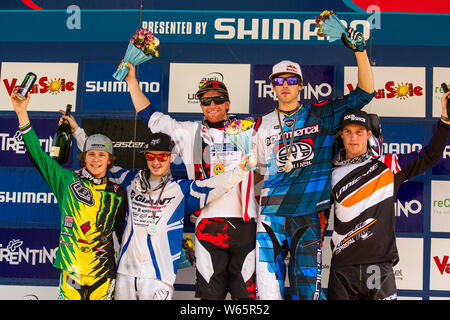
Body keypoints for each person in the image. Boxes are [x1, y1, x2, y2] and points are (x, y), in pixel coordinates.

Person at [65, 115, 257, 299]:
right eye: (150, 156)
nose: (156, 162)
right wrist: (76, 131)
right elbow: (100, 161)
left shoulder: (181, 190)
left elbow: (214, 185)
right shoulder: (130, 181)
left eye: (162, 157)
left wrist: (240, 171)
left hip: (159, 277)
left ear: (172, 158)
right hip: (126, 272)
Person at [253, 27, 375, 300]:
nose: (285, 85)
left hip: (308, 215)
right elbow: (256, 170)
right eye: (279, 80)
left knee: (307, 295)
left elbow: (366, 92)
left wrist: (359, 51)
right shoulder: (260, 125)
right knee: (268, 294)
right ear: (272, 86)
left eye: (291, 79)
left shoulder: (321, 114)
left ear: (300, 85)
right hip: (270, 217)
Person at [123, 63, 258, 300]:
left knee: (245, 298)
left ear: (227, 103)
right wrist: (131, 82)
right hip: (208, 224)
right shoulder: (189, 132)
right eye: (206, 102)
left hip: (245, 223)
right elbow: (150, 117)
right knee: (209, 298)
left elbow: (266, 170)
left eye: (217, 100)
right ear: (201, 106)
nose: (212, 105)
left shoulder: (248, 130)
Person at [327, 93, 450, 300]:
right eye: (348, 132)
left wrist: (445, 121)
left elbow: (429, 157)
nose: (353, 137)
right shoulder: (330, 173)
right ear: (341, 136)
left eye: (359, 132)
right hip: (343, 267)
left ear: (368, 135)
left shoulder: (388, 166)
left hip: (378, 265)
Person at [10, 90, 127, 300]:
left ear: (110, 160)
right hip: (72, 270)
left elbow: (124, 234)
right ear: (84, 157)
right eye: (91, 154)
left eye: (102, 155)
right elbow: (38, 154)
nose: (96, 159)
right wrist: (22, 113)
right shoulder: (67, 181)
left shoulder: (119, 193)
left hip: (104, 273)